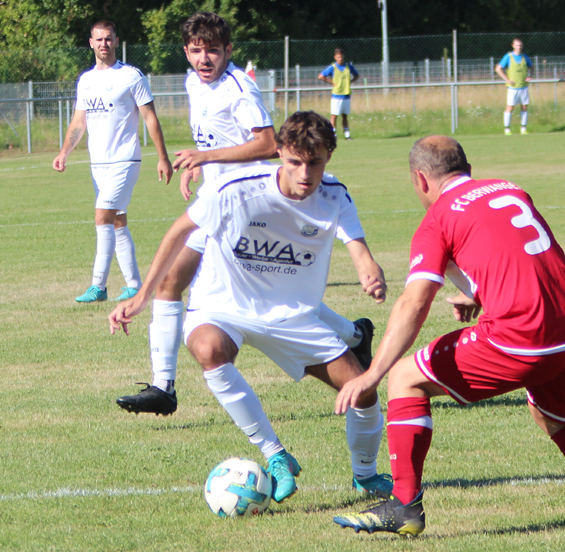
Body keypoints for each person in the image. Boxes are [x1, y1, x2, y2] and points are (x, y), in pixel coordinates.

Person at [332, 136, 565, 536]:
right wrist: (477, 292)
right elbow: (517, 251)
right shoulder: (508, 188)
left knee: (403, 377)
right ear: (466, 168)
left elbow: (414, 303)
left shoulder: (437, 219)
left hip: (523, 334)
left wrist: (372, 373)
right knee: (552, 415)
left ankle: (404, 505)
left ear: (420, 179)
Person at [110, 111, 393, 503]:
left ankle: (365, 476)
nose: (305, 173)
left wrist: (369, 269)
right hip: (223, 304)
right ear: (280, 153)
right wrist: (143, 296)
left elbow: (358, 247)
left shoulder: (334, 196)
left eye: (315, 162)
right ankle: (275, 455)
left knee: (363, 392)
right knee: (209, 349)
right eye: (295, 162)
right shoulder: (237, 189)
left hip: (292, 315)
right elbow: (179, 231)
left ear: (329, 155)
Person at [115, 12, 376, 417]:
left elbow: (269, 144)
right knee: (173, 282)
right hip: (217, 201)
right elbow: (216, 139)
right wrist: (201, 166)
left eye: (213, 50)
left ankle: (354, 336)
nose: (204, 58)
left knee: (271, 296)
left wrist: (207, 157)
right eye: (196, 50)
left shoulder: (240, 89)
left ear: (228, 51)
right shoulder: (193, 82)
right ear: (186, 51)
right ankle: (163, 386)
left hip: (248, 208)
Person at [53, 20, 172, 303]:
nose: (104, 43)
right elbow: (78, 122)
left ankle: (98, 286)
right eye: (99, 39)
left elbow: (150, 118)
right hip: (98, 165)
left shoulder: (131, 76)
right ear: (91, 43)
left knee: (102, 217)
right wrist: (64, 152)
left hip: (125, 160)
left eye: (108, 38)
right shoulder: (86, 80)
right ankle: (134, 284)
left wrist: (163, 158)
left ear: (116, 41)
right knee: (117, 221)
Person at [318, 48, 360, 140]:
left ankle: (347, 135)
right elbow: (321, 76)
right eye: (338, 57)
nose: (340, 59)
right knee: (334, 115)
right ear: (335, 57)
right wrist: (331, 81)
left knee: (345, 116)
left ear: (343, 56)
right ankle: (333, 135)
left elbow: (357, 75)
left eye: (341, 57)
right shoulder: (333, 67)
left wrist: (350, 82)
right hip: (336, 95)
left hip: (346, 95)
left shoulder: (348, 67)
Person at [495, 38, 532, 135]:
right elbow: (498, 69)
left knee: (524, 106)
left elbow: (531, 66)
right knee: (510, 107)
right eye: (517, 45)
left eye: (520, 45)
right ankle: (507, 129)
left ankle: (523, 128)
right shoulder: (508, 56)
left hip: (523, 86)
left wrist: (530, 75)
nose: (519, 47)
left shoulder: (524, 57)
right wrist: (507, 79)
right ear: (513, 46)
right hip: (513, 88)